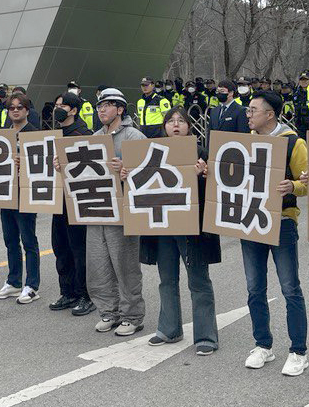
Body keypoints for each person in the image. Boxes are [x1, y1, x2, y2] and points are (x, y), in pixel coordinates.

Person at [134, 106, 220, 353]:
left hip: (192, 227)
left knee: (198, 281)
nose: (175, 125)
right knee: (166, 279)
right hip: (163, 224)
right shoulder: (152, 152)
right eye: (170, 121)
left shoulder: (202, 153)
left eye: (180, 121)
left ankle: (206, 336)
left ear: (189, 127)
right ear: (164, 127)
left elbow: (215, 193)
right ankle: (169, 328)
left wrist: (202, 176)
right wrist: (128, 173)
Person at [238, 91, 309, 376]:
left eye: (253, 110)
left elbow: (308, 183)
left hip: (282, 221)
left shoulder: (294, 142)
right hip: (249, 220)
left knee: (290, 287)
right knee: (255, 288)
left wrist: (293, 186)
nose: (249, 115)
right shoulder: (243, 143)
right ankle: (263, 344)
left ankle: (298, 351)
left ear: (270, 114)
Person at [88, 88, 146, 336]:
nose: (101, 109)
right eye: (99, 105)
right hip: (96, 209)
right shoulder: (94, 136)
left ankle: (132, 315)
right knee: (98, 263)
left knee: (125, 264)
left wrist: (127, 169)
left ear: (120, 109)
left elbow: (148, 173)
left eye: (107, 105)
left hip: (123, 212)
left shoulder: (134, 137)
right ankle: (108, 311)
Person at [47, 92, 94, 316]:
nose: (58, 109)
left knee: (79, 249)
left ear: (73, 110)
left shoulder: (84, 134)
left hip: (77, 201)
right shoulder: (52, 135)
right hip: (57, 200)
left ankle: (86, 294)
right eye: (56, 105)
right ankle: (67, 292)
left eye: (62, 106)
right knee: (61, 247)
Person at [0, 91, 41, 305]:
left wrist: (27, 164)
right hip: (6, 194)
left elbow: (44, 165)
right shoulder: (3, 134)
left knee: (28, 240)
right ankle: (13, 281)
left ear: (27, 110)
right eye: (11, 108)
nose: (14, 110)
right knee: (10, 240)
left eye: (19, 107)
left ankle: (32, 285)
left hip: (26, 194)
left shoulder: (35, 133)